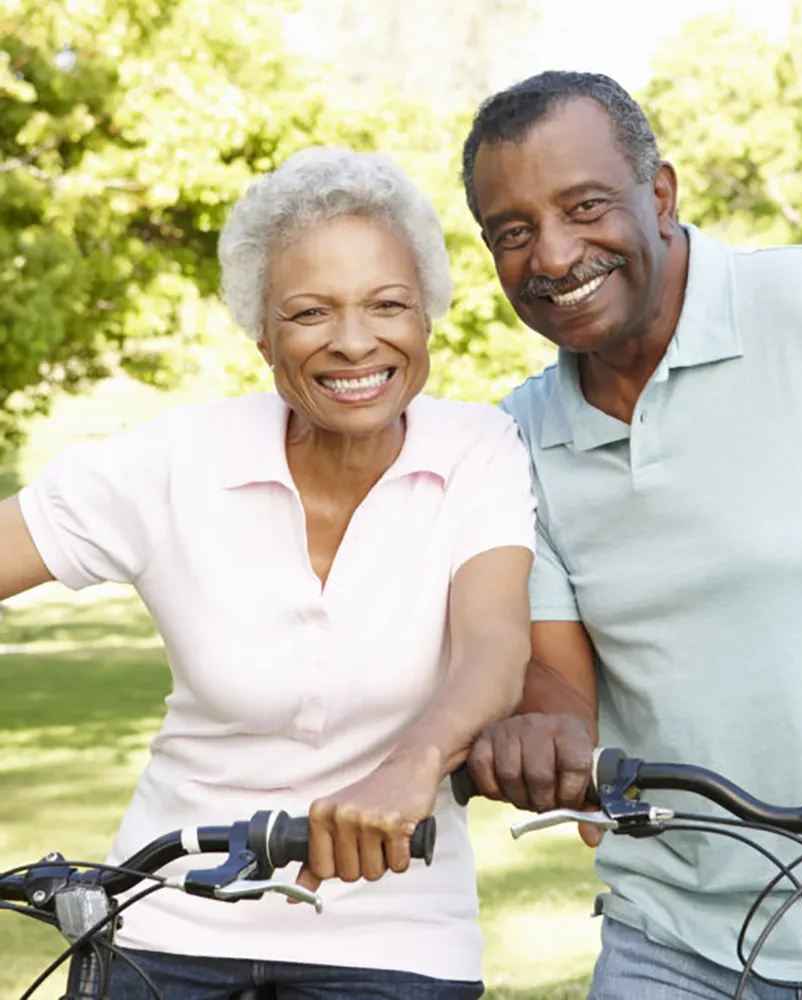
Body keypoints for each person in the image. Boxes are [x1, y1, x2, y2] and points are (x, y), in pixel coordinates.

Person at [459, 70, 802, 1000]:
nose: (552, 255)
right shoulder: (522, 437)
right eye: (512, 232)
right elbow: (556, 673)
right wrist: (539, 733)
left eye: (585, 206)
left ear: (660, 193)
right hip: (675, 942)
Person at [0, 146, 536, 999]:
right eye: (311, 312)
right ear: (262, 335)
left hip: (396, 929)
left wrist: (416, 763)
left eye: (388, 305)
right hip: (166, 910)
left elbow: (495, 644)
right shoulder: (176, 462)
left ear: (428, 316)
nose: (355, 341)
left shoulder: (479, 452)